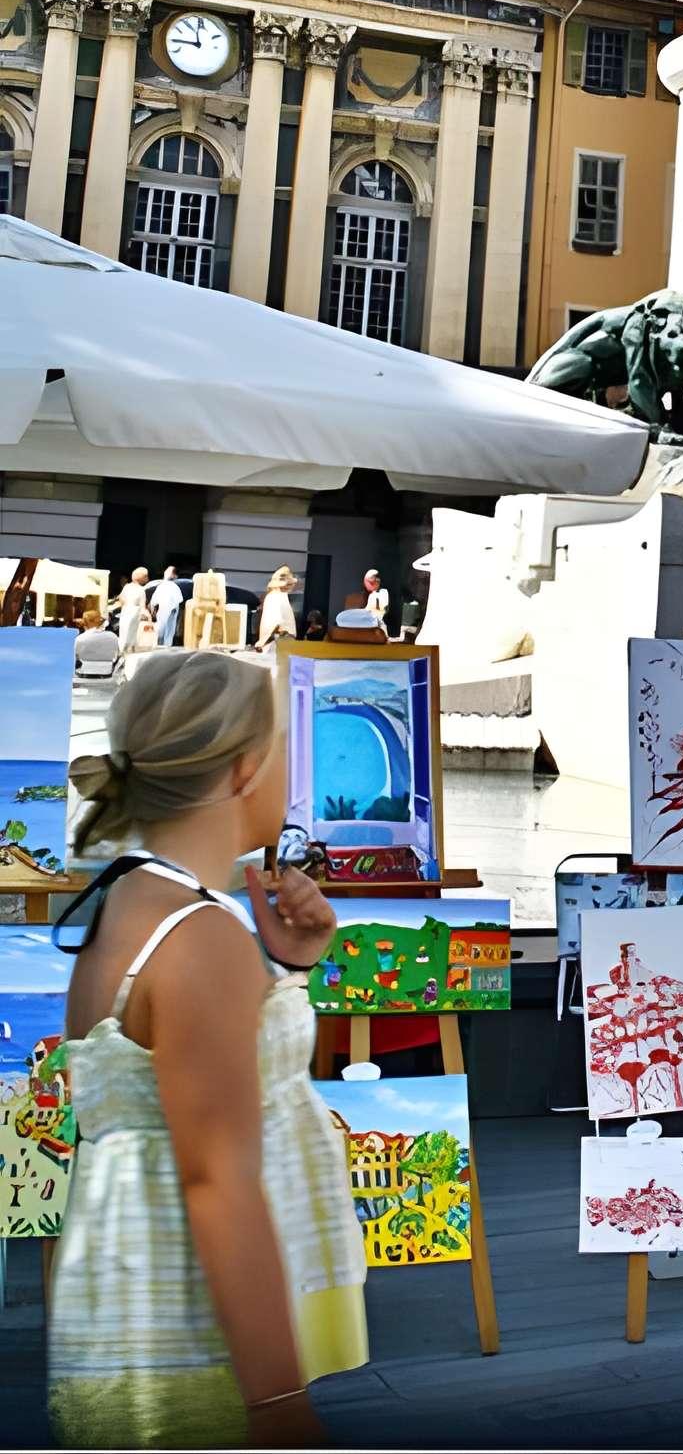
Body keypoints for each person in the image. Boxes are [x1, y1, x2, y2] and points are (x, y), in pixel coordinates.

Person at [51, 650, 365, 1447]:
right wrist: (278, 1407)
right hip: (194, 1334)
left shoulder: (133, 897)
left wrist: (289, 963)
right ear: (243, 769)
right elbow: (217, 1180)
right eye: (284, 749)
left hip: (129, 1298)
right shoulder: (199, 937)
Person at [255, 567, 300, 655]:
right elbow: (273, 622)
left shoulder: (277, 596)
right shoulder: (277, 596)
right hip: (277, 644)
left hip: (279, 643)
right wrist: (263, 641)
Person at [73, 605, 122, 680]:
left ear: (84, 622)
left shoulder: (80, 639)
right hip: (108, 673)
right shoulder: (113, 636)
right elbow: (118, 654)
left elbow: (76, 656)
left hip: (85, 673)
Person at [113, 567, 150, 663]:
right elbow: (142, 606)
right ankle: (129, 657)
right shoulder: (141, 590)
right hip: (134, 612)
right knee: (132, 635)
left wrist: (126, 605)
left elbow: (121, 598)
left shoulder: (127, 587)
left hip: (126, 611)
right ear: (142, 577)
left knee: (124, 633)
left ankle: (121, 656)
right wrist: (148, 616)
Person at [149, 566, 185, 649]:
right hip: (165, 608)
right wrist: (153, 608)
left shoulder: (173, 585)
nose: (167, 573)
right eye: (167, 571)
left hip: (170, 608)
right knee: (162, 629)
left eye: (169, 571)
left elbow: (179, 600)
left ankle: (165, 646)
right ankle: (161, 645)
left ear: (174, 575)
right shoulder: (163, 585)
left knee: (168, 629)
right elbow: (154, 601)